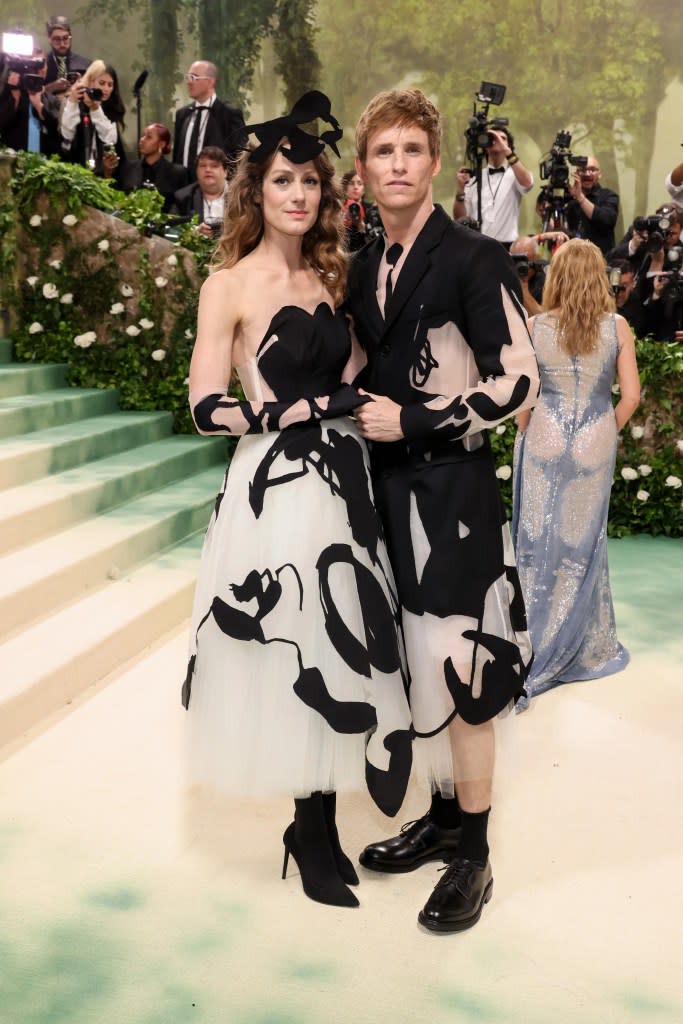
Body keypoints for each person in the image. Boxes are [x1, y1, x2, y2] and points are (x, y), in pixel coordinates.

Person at [181, 91, 413, 910]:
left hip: (343, 482)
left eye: (310, 180)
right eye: (283, 179)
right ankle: (308, 830)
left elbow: (354, 380)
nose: (298, 194)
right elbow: (204, 403)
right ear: (257, 190)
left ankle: (318, 820)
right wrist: (289, 411)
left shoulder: (330, 275)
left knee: (340, 645)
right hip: (272, 488)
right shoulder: (228, 285)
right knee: (290, 646)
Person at [347, 89, 540, 933]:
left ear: (434, 165)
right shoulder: (360, 265)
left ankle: (476, 855)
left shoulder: (472, 255)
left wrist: (420, 417)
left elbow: (520, 378)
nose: (396, 165)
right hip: (384, 495)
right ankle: (441, 818)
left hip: (452, 491)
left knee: (465, 673)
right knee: (412, 666)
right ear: (363, 170)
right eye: (381, 152)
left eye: (410, 151)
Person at [512, 239, 640, 709]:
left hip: (544, 431)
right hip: (594, 434)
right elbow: (630, 396)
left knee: (534, 539)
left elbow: (524, 395)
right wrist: (605, 429)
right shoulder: (617, 326)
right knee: (579, 546)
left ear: (558, 277)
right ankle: (573, 644)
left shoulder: (534, 326)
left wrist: (525, 435)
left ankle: (528, 641)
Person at [453, 127, 534, 247]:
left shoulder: (515, 174)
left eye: (502, 138)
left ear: (509, 147)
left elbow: (528, 183)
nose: (497, 141)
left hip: (507, 246)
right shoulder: (475, 177)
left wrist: (507, 152)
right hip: (478, 246)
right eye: (493, 138)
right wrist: (460, 189)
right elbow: (460, 218)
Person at [173, 61, 245, 182]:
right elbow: (176, 156)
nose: (188, 82)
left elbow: (240, 155)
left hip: (219, 191)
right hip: (184, 191)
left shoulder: (229, 114)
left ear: (210, 81)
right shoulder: (182, 114)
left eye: (193, 77)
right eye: (187, 77)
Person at [60, 60, 127, 181]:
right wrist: (72, 101)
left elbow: (110, 140)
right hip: (75, 169)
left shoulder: (112, 107)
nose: (106, 89)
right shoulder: (77, 101)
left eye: (110, 85)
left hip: (103, 172)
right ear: (90, 81)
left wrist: (95, 109)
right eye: (102, 83)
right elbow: (67, 133)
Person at [0, 49, 61, 155]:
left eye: (42, 64)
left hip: (44, 164)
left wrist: (38, 105)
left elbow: (58, 130)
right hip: (12, 161)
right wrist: (15, 95)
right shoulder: (9, 95)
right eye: (33, 65)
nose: (39, 70)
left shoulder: (53, 100)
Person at [119, 123, 188, 212]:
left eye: (149, 137)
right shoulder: (128, 168)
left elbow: (182, 205)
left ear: (161, 144)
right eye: (143, 136)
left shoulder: (177, 172)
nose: (142, 140)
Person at [566, 157, 619, 255]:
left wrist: (580, 197)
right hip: (575, 260)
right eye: (583, 170)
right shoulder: (571, 202)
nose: (587, 174)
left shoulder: (608, 195)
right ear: (576, 173)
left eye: (592, 170)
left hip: (600, 259)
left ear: (600, 174)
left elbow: (606, 220)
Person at [173, 146, 229, 236]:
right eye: (203, 166)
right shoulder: (183, 197)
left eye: (214, 166)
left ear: (225, 172)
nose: (208, 170)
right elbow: (173, 230)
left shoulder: (240, 196)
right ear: (196, 171)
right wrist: (195, 232)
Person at [43, 15, 90, 96]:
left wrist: (82, 86)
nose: (62, 44)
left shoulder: (85, 65)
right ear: (49, 39)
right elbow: (31, 95)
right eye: (57, 39)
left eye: (65, 38)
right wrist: (51, 87)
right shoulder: (41, 65)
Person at [341, 170, 368, 251]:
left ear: (364, 189)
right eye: (352, 183)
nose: (356, 187)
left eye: (360, 184)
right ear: (345, 188)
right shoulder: (337, 209)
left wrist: (363, 227)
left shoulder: (369, 210)